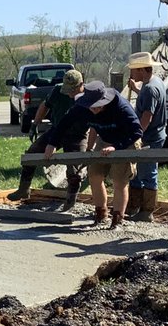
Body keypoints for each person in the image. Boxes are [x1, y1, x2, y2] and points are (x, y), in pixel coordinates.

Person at [48, 80, 142, 230]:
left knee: (119, 179)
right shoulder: (82, 107)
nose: (94, 110)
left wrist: (116, 147)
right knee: (95, 175)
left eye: (97, 106)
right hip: (105, 139)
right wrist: (52, 144)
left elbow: (137, 131)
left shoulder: (121, 107)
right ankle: (101, 214)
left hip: (126, 141)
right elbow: (64, 122)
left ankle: (117, 219)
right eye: (91, 106)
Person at [7, 69, 86, 208]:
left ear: (81, 85)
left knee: (75, 168)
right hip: (56, 130)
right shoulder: (57, 91)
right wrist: (35, 124)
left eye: (72, 89)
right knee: (31, 154)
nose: (69, 92)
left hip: (77, 135)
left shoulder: (88, 96)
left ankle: (70, 199)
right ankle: (23, 189)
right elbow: (45, 106)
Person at [125, 51, 167, 222]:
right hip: (152, 135)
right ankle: (134, 206)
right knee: (137, 173)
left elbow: (147, 117)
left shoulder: (150, 89)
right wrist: (135, 89)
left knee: (148, 173)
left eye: (134, 70)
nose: (132, 73)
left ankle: (147, 211)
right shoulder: (153, 82)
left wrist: (137, 136)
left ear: (142, 70)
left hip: (150, 137)